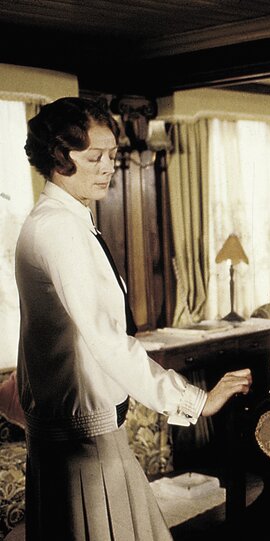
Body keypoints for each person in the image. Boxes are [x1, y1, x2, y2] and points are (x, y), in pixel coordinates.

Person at [16, 97, 253, 541]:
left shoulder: (61, 219)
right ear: (59, 157)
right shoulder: (59, 228)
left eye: (112, 155)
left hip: (79, 429)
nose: (110, 167)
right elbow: (105, 338)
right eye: (95, 157)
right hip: (82, 438)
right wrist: (195, 401)